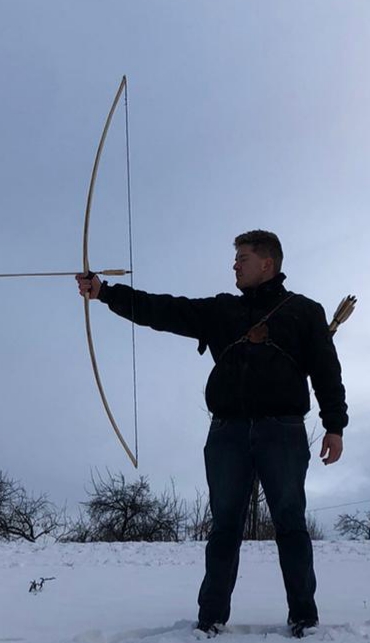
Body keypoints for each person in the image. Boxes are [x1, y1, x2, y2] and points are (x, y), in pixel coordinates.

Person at [76, 230, 347, 639]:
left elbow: (327, 371)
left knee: (290, 524)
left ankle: (304, 619)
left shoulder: (304, 311)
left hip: (283, 431)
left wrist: (334, 426)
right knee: (223, 527)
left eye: (242, 258)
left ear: (267, 263)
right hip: (227, 432)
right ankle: (210, 621)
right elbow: (165, 310)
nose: (234, 265)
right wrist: (105, 293)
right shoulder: (223, 310)